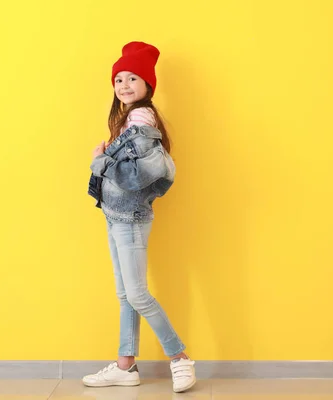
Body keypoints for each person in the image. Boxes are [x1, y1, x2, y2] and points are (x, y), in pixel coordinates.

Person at [83, 41, 196, 393]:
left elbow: (136, 174)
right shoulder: (128, 119)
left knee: (137, 293)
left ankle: (179, 359)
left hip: (129, 216)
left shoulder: (140, 119)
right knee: (126, 294)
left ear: (148, 85)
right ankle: (125, 366)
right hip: (117, 215)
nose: (125, 85)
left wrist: (100, 160)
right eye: (119, 79)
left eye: (133, 78)